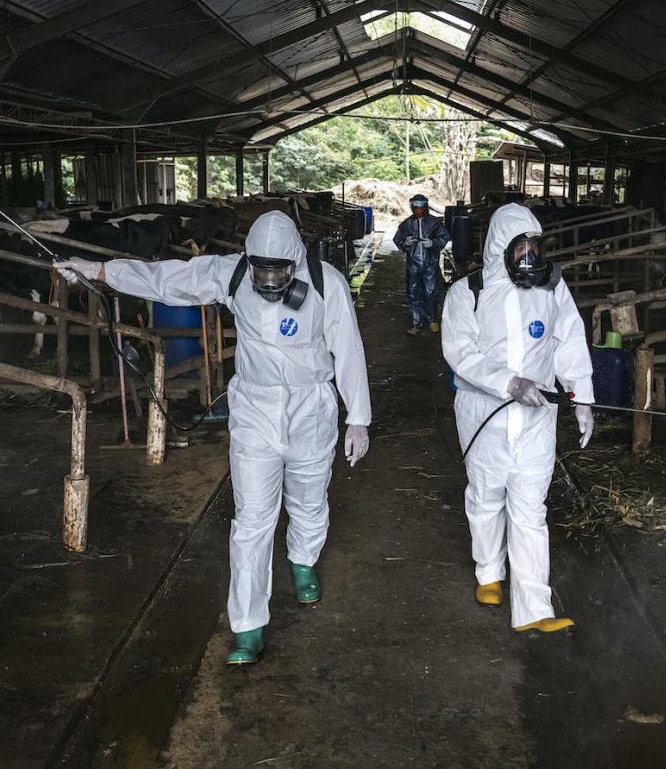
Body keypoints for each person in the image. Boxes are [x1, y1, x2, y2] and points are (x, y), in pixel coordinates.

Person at [54, 212, 371, 666]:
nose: (268, 279)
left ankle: (303, 559)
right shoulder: (233, 273)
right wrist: (101, 271)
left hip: (311, 408)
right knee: (252, 520)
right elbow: (168, 280)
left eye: (277, 271)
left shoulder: (326, 283)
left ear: (295, 262)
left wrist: (357, 417)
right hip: (255, 411)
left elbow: (349, 348)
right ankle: (248, 626)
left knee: (308, 500)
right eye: (261, 269)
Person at [441, 203, 594, 635]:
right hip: (484, 413)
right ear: (499, 248)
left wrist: (583, 396)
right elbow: (460, 352)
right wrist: (509, 383)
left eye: (534, 246)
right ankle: (489, 572)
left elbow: (569, 340)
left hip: (537, 415)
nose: (529, 255)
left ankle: (534, 606)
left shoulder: (551, 288)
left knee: (530, 508)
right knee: (487, 495)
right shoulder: (467, 292)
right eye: (519, 247)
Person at [393, 194, 450, 336]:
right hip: (413, 263)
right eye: (415, 208)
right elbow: (397, 238)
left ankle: (432, 320)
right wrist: (405, 243)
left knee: (430, 291)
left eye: (420, 208)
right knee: (413, 293)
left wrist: (433, 243)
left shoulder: (434, 223)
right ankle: (415, 323)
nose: (417, 211)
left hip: (430, 263)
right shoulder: (407, 224)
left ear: (425, 208)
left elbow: (444, 236)